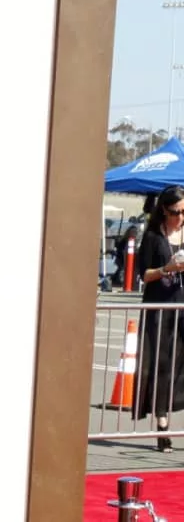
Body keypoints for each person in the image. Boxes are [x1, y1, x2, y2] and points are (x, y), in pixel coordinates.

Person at [133, 185, 184, 452]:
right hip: (161, 309)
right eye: (176, 212)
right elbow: (145, 274)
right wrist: (167, 268)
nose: (180, 217)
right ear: (164, 210)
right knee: (163, 366)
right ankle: (162, 424)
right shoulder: (153, 237)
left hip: (182, 307)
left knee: (179, 367)